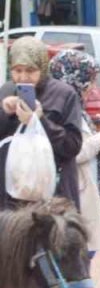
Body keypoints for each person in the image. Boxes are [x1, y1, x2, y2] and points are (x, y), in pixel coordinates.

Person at [0, 37, 83, 211]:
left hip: (53, 194)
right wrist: (4, 112)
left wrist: (39, 121)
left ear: (42, 67)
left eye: (30, 70)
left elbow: (72, 145)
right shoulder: (7, 91)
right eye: (17, 70)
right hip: (12, 196)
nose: (23, 77)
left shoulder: (64, 94)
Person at [48, 49, 100, 254]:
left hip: (85, 188)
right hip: (73, 191)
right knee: (77, 254)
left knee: (85, 252)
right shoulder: (59, 108)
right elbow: (70, 150)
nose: (93, 88)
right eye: (89, 80)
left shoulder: (75, 105)